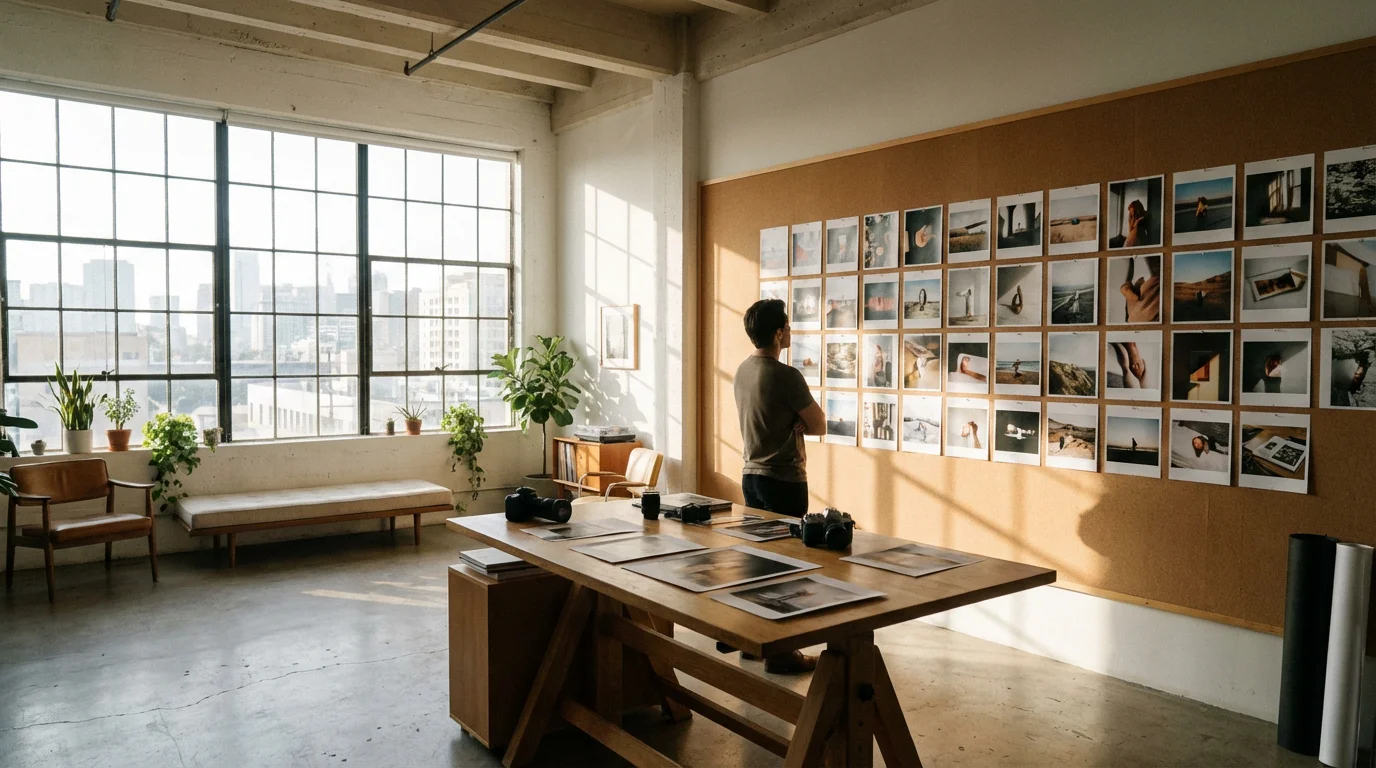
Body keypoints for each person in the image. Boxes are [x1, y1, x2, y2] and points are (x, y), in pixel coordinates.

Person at [732, 299, 826, 674]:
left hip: (751, 475)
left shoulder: (742, 370)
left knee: (757, 565)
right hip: (784, 479)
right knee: (785, 569)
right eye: (787, 325)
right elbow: (818, 424)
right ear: (777, 333)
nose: (791, 331)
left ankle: (752, 645)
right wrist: (799, 421)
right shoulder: (786, 375)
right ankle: (783, 654)